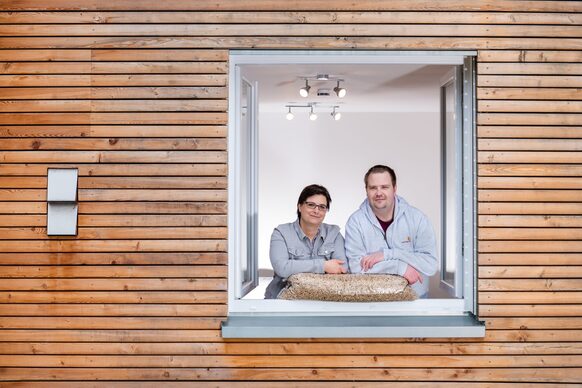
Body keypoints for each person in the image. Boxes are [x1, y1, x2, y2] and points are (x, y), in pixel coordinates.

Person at [344, 165, 437, 298]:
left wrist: (388, 254)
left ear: (394, 189)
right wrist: (400, 267)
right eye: (373, 188)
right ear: (366, 190)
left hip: (415, 300)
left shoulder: (417, 219)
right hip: (373, 302)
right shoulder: (355, 222)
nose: (378, 193)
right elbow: (356, 269)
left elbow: (430, 265)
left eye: (384, 187)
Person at [265, 184, 348, 299]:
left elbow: (342, 269)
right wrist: (323, 266)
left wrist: (296, 268)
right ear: (299, 206)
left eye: (322, 207)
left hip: (323, 301)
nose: (316, 211)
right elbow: (282, 268)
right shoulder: (281, 233)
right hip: (283, 301)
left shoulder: (334, 234)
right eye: (311, 205)